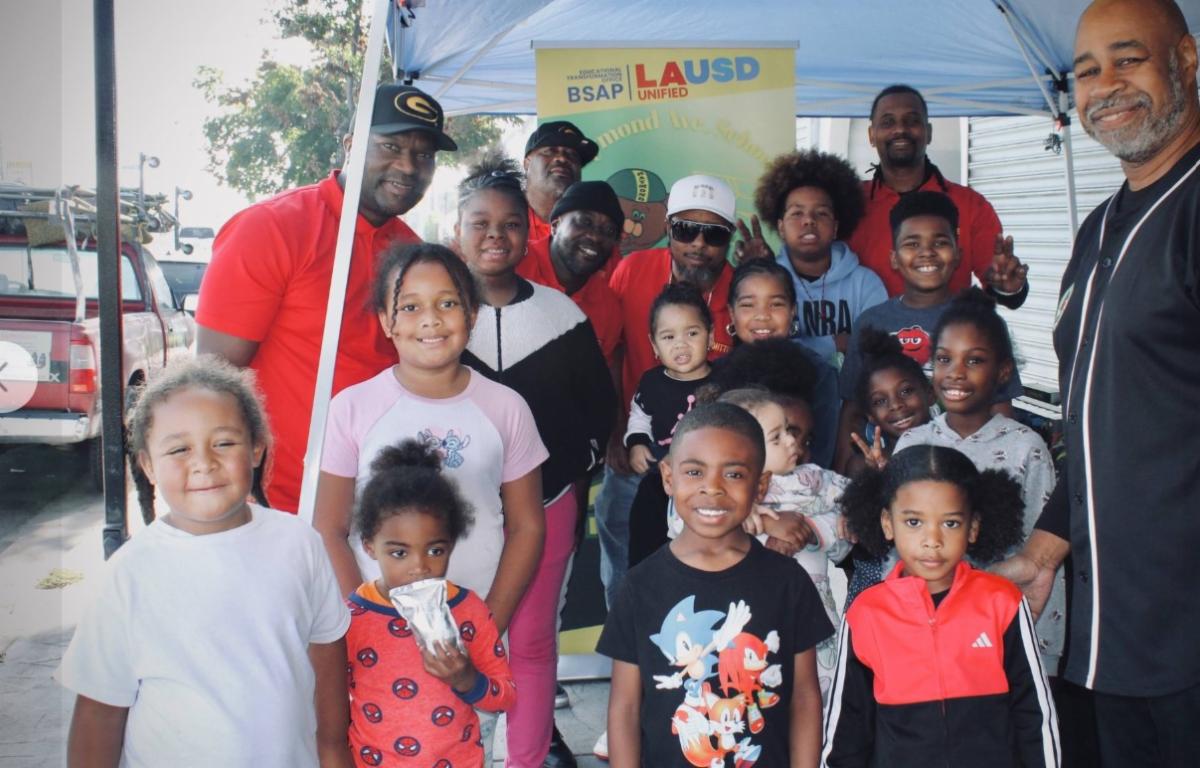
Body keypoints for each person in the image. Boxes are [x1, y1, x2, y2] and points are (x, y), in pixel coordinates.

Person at [996, 1, 1200, 763]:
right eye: (1085, 71)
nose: (1105, 85)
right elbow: (1101, 418)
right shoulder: (1099, 227)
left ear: (1187, 60)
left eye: (1128, 59)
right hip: (1112, 634)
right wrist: (1046, 550)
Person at [312, 242, 548, 765]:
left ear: (472, 312)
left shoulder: (506, 408)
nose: (431, 320)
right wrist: (365, 621)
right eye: (410, 306)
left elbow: (529, 527)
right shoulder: (352, 408)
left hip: (467, 641)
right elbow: (328, 527)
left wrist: (487, 624)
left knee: (462, 748)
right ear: (385, 321)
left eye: (447, 303)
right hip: (375, 647)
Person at [59, 357, 352, 767]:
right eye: (179, 449)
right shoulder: (130, 573)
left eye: (224, 443)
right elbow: (99, 713)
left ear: (256, 449)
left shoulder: (298, 543)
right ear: (148, 465)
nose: (203, 462)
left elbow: (327, 659)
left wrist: (335, 752)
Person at [196, 83, 456, 513]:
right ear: (351, 145)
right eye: (390, 146)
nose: (408, 166)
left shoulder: (413, 251)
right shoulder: (273, 227)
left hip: (382, 500)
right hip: (281, 501)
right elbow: (213, 377)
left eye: (424, 155)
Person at [455, 156, 616, 768]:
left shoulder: (561, 315)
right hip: (453, 516)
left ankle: (525, 759)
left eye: (511, 224)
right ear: (457, 229)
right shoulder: (436, 310)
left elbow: (596, 407)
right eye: (480, 223)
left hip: (546, 506)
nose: (496, 235)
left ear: (531, 232)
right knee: (456, 640)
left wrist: (572, 470)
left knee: (529, 641)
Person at [600, 403, 832, 767]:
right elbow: (624, 707)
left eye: (734, 474)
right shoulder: (639, 586)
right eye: (694, 472)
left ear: (760, 485)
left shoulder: (788, 582)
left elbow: (804, 698)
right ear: (668, 477)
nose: (712, 488)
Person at [824, 445, 1060, 767]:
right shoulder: (866, 614)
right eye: (913, 522)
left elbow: (1035, 713)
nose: (932, 540)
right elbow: (847, 729)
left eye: (950, 523)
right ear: (888, 523)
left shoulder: (1002, 602)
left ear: (973, 527)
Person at [893, 288, 1062, 673]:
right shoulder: (912, 443)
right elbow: (898, 549)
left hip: (1000, 633)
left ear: (1003, 371)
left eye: (974, 360)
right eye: (944, 359)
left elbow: (1042, 552)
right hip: (925, 632)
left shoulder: (1026, 448)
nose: (956, 372)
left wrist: (1040, 650)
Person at [597, 174, 739, 612]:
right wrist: (618, 433)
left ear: (730, 239)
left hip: (711, 467)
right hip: (640, 454)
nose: (698, 244)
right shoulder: (632, 271)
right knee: (625, 553)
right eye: (685, 229)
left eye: (713, 234)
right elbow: (612, 352)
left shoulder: (741, 290)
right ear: (667, 228)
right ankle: (626, 640)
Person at [346, 439, 516, 767]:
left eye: (435, 550)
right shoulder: (351, 617)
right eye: (399, 552)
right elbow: (327, 701)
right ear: (369, 546)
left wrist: (467, 679)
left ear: (451, 544)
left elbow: (505, 696)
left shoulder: (468, 611)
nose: (420, 567)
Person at [835, 191, 1026, 473]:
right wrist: (841, 477)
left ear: (958, 254)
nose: (927, 252)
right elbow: (852, 410)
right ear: (894, 258)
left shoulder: (980, 321)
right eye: (912, 243)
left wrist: (1002, 473)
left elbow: (1000, 408)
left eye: (940, 242)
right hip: (893, 473)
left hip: (967, 470)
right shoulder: (871, 321)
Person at [710, 388, 851, 703]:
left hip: (815, 627)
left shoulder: (813, 480)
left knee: (820, 701)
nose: (792, 441)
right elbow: (681, 524)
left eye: (788, 430)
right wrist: (753, 516)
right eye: (776, 437)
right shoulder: (717, 495)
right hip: (747, 636)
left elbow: (858, 509)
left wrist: (809, 528)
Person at [846, 84, 1030, 307]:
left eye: (912, 120)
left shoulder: (971, 205)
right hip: (867, 330)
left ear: (929, 132)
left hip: (947, 329)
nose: (900, 129)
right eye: (887, 122)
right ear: (871, 135)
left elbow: (999, 283)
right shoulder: (849, 204)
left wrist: (1008, 286)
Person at [751, 150, 887, 367]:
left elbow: (875, 348)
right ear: (781, 227)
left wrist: (800, 346)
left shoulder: (865, 283)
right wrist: (835, 343)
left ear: (835, 227)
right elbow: (766, 350)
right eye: (797, 213)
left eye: (821, 213)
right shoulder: (769, 283)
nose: (809, 221)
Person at [725, 259, 841, 469]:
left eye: (776, 304)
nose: (762, 316)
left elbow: (821, 453)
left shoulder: (820, 373)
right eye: (748, 305)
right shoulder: (718, 370)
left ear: (793, 310)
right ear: (732, 313)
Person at [518, 180, 625, 364]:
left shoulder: (608, 310)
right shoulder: (514, 265)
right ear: (555, 225)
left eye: (608, 230)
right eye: (585, 222)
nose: (595, 236)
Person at [625, 283, 714, 476]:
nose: (680, 344)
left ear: (710, 336)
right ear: (654, 345)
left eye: (692, 333)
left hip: (710, 467)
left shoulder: (723, 381)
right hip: (660, 465)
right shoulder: (651, 382)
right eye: (668, 337)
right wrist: (637, 443)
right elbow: (640, 417)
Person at [524, 120, 600, 243]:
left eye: (572, 154)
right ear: (527, 162)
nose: (563, 158)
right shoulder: (505, 215)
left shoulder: (596, 226)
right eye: (550, 151)